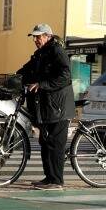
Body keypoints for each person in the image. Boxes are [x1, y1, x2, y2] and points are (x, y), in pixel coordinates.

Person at [15, 23, 74, 190]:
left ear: (48, 36)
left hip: (59, 106)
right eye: (34, 37)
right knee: (45, 141)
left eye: (38, 36)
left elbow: (66, 76)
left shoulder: (57, 51)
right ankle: (49, 178)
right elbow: (26, 70)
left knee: (55, 143)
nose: (35, 39)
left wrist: (42, 84)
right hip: (46, 107)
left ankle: (56, 182)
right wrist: (11, 78)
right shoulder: (40, 54)